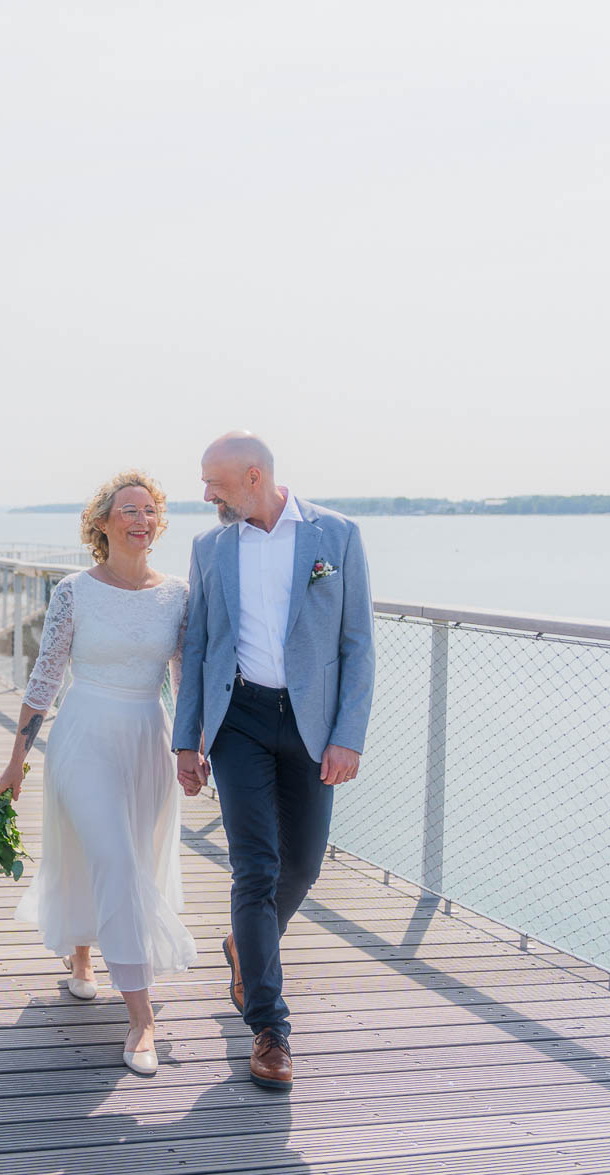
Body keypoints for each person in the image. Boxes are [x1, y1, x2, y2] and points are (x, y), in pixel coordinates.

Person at [173, 432, 374, 1091]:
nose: (205, 495)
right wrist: (188, 740)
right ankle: (269, 1028)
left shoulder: (335, 536)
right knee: (254, 870)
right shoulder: (210, 548)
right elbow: (200, 647)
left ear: (253, 476)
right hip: (241, 723)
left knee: (304, 866)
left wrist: (349, 734)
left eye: (214, 483)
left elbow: (358, 645)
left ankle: (244, 945)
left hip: (313, 728)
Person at [0, 470, 198, 1076]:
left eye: (150, 510)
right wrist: (14, 763)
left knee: (126, 853)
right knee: (112, 856)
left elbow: (183, 682)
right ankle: (142, 1019)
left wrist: (194, 749)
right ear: (102, 523)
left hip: (148, 739)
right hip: (83, 735)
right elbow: (45, 678)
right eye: (127, 509)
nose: (140, 518)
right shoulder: (75, 592)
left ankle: (82, 956)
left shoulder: (181, 596)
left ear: (159, 525)